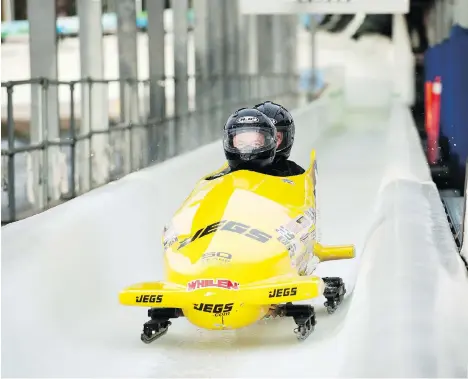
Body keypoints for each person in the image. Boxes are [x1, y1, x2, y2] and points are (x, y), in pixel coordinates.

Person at [205, 108, 285, 180]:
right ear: (230, 143)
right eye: (241, 144)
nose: (248, 149)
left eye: (256, 144)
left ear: (269, 143)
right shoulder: (215, 182)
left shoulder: (284, 178)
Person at [253, 101, 305, 175]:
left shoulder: (294, 172)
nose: (271, 142)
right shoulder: (239, 167)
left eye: (276, 137)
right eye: (263, 136)